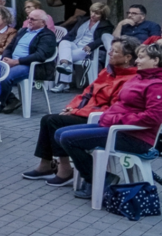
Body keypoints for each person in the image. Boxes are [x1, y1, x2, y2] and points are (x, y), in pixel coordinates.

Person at [20, 37, 140, 186]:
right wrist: (72, 107)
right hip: (86, 112)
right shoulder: (108, 72)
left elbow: (112, 108)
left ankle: (64, 169)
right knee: (49, 119)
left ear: (128, 57)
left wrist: (78, 112)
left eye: (114, 51)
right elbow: (86, 93)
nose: (109, 53)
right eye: (110, 49)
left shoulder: (129, 80)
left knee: (53, 121)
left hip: (99, 118)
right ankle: (47, 164)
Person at [57, 42, 162, 200]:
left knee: (68, 139)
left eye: (141, 58)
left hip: (134, 136)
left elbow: (153, 117)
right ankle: (97, 176)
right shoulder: (139, 78)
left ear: (155, 61)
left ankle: (99, 179)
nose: (137, 61)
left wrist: (117, 119)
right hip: (116, 128)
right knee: (60, 133)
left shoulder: (156, 85)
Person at [0, 9, 59, 114]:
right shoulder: (23, 31)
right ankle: (11, 100)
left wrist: (17, 61)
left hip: (31, 66)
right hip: (12, 61)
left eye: (33, 19)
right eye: (28, 18)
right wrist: (6, 58)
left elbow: (40, 55)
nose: (29, 21)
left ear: (43, 22)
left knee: (5, 77)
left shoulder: (47, 36)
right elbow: (10, 47)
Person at [53, 2, 113, 92]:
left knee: (64, 55)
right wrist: (60, 43)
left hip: (88, 49)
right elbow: (71, 34)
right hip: (75, 44)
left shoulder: (106, 25)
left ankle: (64, 83)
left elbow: (102, 39)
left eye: (97, 13)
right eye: (92, 11)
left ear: (102, 15)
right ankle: (65, 64)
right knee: (64, 42)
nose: (93, 15)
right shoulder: (83, 20)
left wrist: (91, 45)